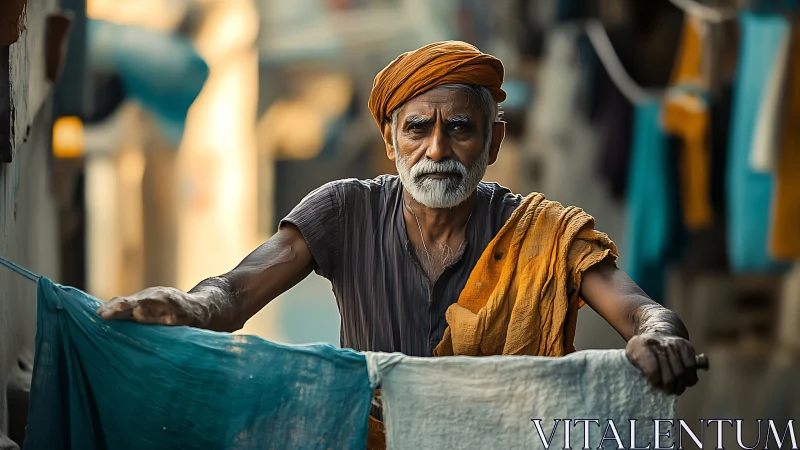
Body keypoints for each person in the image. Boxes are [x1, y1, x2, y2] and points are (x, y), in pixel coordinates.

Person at [97, 41, 700, 398]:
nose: (437, 148)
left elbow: (641, 309)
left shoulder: (544, 234)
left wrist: (660, 335)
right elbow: (231, 293)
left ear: (493, 144)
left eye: (461, 128)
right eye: (418, 128)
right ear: (391, 141)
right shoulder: (344, 210)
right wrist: (191, 306)